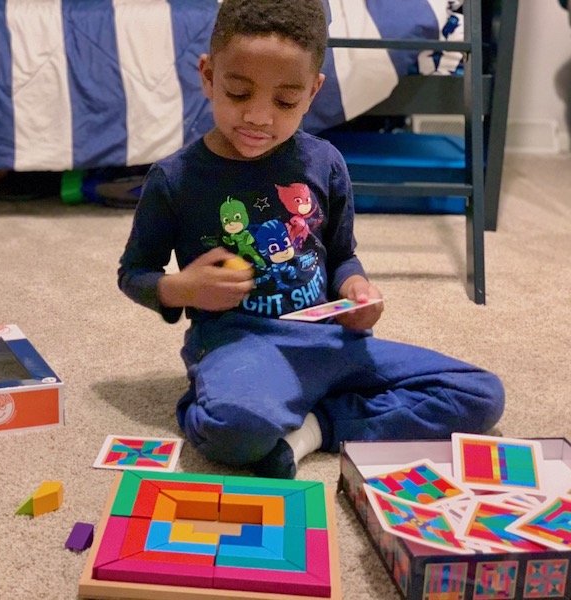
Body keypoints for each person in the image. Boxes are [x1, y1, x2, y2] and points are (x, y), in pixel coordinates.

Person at [117, 0, 505, 478]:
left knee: (479, 394)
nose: (258, 117)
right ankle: (271, 404)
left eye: (284, 102)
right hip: (240, 346)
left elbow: (342, 256)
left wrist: (356, 289)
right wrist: (180, 288)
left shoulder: (325, 163)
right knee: (235, 428)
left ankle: (313, 428)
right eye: (238, 93)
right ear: (208, 75)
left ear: (313, 92)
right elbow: (133, 273)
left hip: (330, 341)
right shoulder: (174, 179)